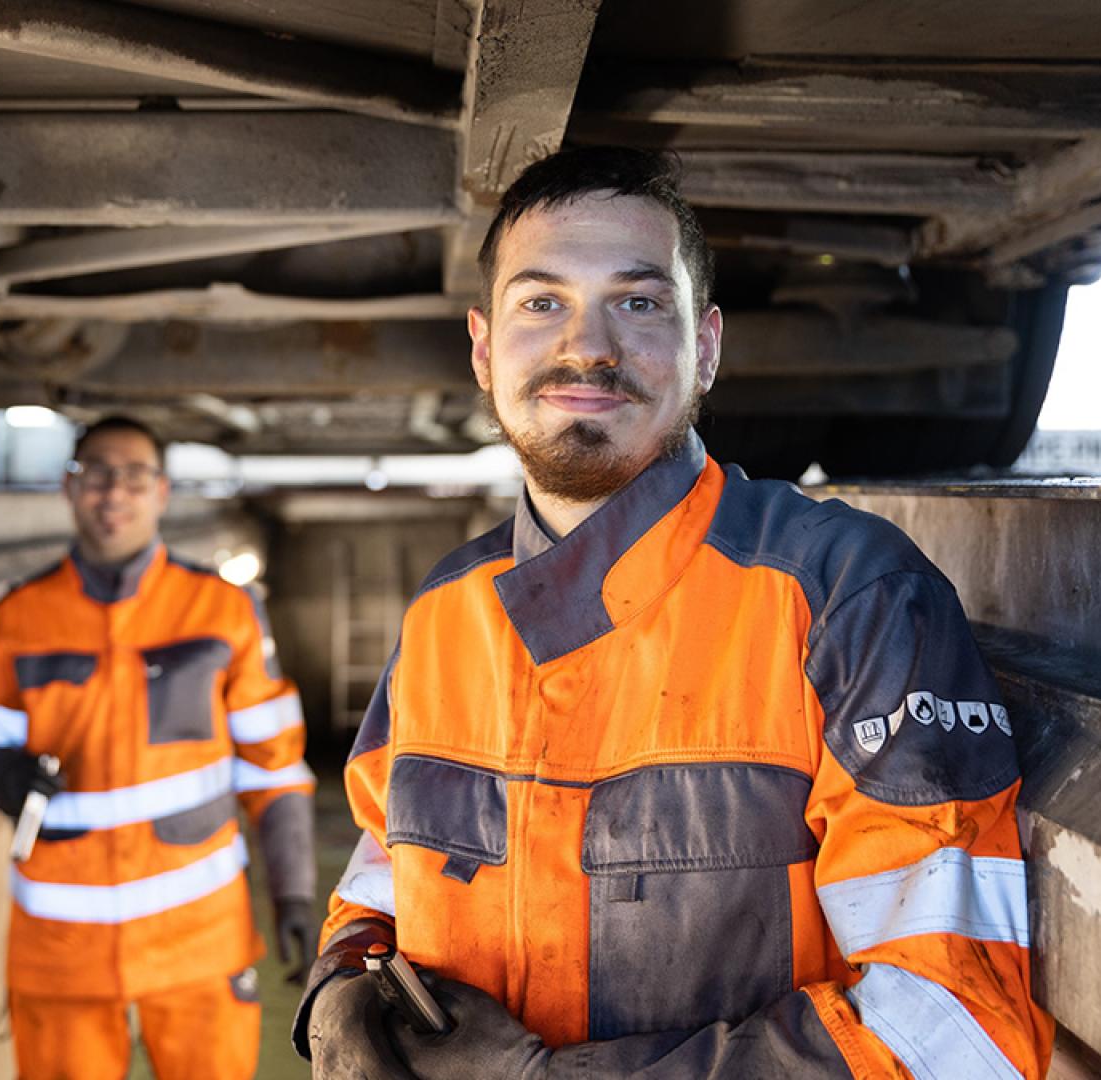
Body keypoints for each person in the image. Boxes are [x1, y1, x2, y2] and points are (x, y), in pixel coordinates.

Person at [297, 147, 1054, 1078]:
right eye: (542, 302)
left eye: (640, 302)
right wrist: (341, 975)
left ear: (705, 348)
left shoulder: (845, 594)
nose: (589, 346)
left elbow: (957, 1026)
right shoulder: (444, 613)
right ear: (484, 348)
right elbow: (383, 858)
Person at [0, 416, 318, 1080]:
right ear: (70, 488)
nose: (113, 493)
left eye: (133, 476)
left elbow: (275, 763)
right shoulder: (17, 618)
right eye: (95, 475)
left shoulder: (223, 610)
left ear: (162, 492)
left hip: (198, 941)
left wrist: (293, 892)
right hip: (62, 948)